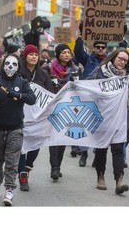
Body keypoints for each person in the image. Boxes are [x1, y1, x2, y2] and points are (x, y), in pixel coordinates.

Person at [86, 48, 129, 195]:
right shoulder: (100, 71)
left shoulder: (126, 76)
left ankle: (119, 181)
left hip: (119, 118)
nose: (122, 62)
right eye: (120, 59)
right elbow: (87, 86)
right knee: (101, 148)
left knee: (118, 149)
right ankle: (100, 176)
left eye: (125, 60)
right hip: (102, 116)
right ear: (113, 58)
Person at [0, 53, 36, 206]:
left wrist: (19, 95)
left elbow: (32, 99)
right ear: (3, 65)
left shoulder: (23, 82)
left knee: (12, 161)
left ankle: (9, 189)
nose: (10, 67)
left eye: (14, 64)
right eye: (7, 64)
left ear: (18, 66)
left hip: (15, 129)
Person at [17, 44, 54, 191]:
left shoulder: (43, 74)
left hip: (38, 117)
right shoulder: (18, 72)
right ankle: (23, 176)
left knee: (35, 143)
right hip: (20, 115)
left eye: (35, 54)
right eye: (30, 54)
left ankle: (28, 166)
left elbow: (50, 94)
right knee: (21, 146)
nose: (33, 56)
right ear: (25, 56)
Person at [73, 21, 107, 167]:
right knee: (85, 125)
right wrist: (80, 35)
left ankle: (97, 154)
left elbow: (123, 57)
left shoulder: (110, 60)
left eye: (103, 47)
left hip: (104, 98)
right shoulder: (88, 59)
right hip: (88, 96)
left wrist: (123, 38)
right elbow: (78, 52)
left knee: (101, 127)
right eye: (98, 47)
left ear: (105, 49)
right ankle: (84, 152)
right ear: (94, 48)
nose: (100, 49)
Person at [49, 43, 80, 181]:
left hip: (69, 107)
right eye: (64, 52)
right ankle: (54, 168)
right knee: (55, 138)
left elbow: (79, 87)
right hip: (54, 108)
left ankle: (58, 166)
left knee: (63, 138)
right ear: (58, 54)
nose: (67, 54)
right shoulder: (50, 69)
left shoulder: (75, 69)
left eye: (69, 52)